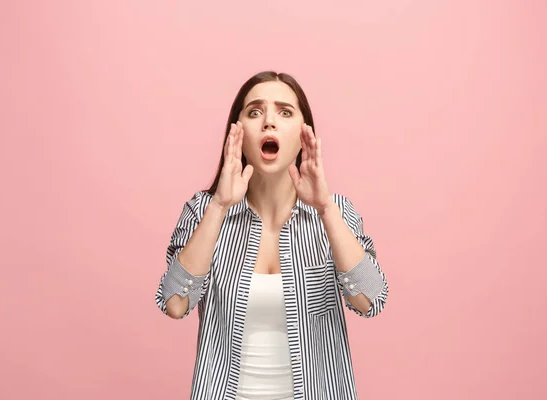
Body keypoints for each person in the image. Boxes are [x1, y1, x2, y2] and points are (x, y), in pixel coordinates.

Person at [155, 71, 389, 400]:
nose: (268, 122)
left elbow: (371, 300)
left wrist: (324, 208)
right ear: (236, 133)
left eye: (285, 112)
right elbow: (175, 303)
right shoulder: (204, 212)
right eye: (254, 112)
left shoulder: (337, 214)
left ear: (304, 134)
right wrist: (220, 205)